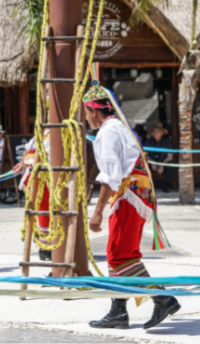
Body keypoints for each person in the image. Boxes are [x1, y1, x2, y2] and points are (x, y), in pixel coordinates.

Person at [83, 85, 180, 331]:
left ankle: (162, 298)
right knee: (122, 254)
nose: (85, 118)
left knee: (118, 254)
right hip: (137, 195)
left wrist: (97, 212)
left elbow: (111, 174)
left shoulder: (108, 131)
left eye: (85, 112)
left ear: (94, 111)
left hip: (129, 196)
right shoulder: (120, 127)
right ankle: (119, 310)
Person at [12, 129, 52, 261]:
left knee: (43, 209)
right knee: (43, 208)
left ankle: (44, 244)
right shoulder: (46, 131)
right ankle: (45, 246)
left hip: (36, 172)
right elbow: (29, 148)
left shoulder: (50, 130)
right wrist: (22, 163)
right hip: (38, 174)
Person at [143, 123, 174, 193]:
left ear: (162, 132)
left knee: (172, 165)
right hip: (151, 163)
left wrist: (162, 165)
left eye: (157, 131)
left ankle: (166, 185)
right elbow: (144, 155)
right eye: (154, 131)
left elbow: (170, 156)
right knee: (143, 164)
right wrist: (152, 162)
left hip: (163, 163)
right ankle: (147, 186)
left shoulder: (167, 142)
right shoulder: (148, 141)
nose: (155, 133)